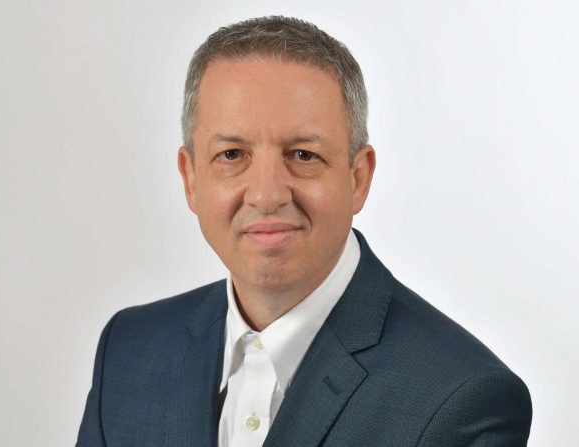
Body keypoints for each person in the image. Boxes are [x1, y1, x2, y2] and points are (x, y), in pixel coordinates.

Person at [76, 16, 532, 447]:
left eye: (303, 155)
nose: (267, 194)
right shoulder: (128, 350)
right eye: (232, 155)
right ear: (191, 179)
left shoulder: (462, 397)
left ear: (358, 178)